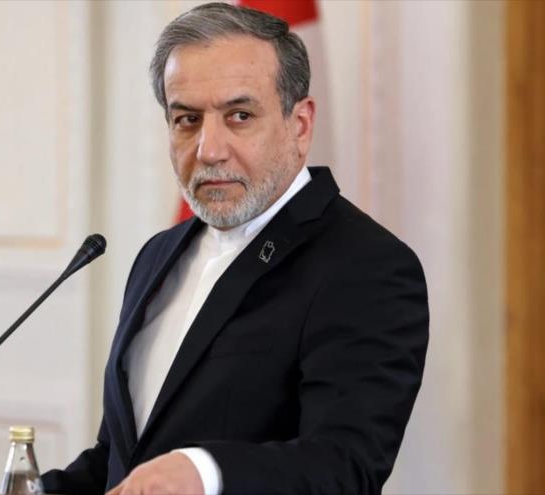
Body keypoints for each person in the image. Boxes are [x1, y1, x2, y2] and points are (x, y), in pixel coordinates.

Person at [42, 3, 429, 494]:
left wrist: (205, 473)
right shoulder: (157, 255)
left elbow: (344, 465)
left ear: (300, 124)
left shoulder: (367, 266)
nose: (209, 149)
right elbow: (120, 459)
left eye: (239, 116)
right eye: (187, 119)